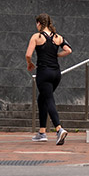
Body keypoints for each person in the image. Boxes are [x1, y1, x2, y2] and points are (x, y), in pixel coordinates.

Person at [25, 13, 72, 144]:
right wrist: (56, 55)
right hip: (56, 73)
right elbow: (68, 50)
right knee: (42, 99)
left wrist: (30, 64)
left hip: (43, 73)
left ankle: (59, 129)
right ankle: (42, 132)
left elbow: (28, 54)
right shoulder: (58, 37)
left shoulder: (36, 37)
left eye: (37, 23)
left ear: (39, 23)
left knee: (49, 99)